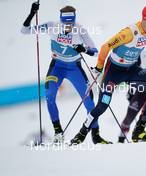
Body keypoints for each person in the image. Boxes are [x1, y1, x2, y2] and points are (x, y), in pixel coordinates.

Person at [70, 5, 146, 144]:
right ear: (145, 19)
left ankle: (139, 131)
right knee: (103, 105)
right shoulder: (129, 33)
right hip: (114, 71)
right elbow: (105, 46)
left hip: (131, 69)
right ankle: (81, 134)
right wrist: (99, 67)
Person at [21, 2, 110, 144]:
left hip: (74, 67)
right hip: (57, 66)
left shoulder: (80, 30)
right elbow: (24, 30)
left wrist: (84, 49)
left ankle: (96, 135)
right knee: (49, 95)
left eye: (71, 23)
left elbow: (95, 53)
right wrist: (32, 13)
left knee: (89, 101)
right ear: (61, 20)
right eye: (65, 23)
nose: (68, 27)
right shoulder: (52, 26)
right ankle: (58, 132)